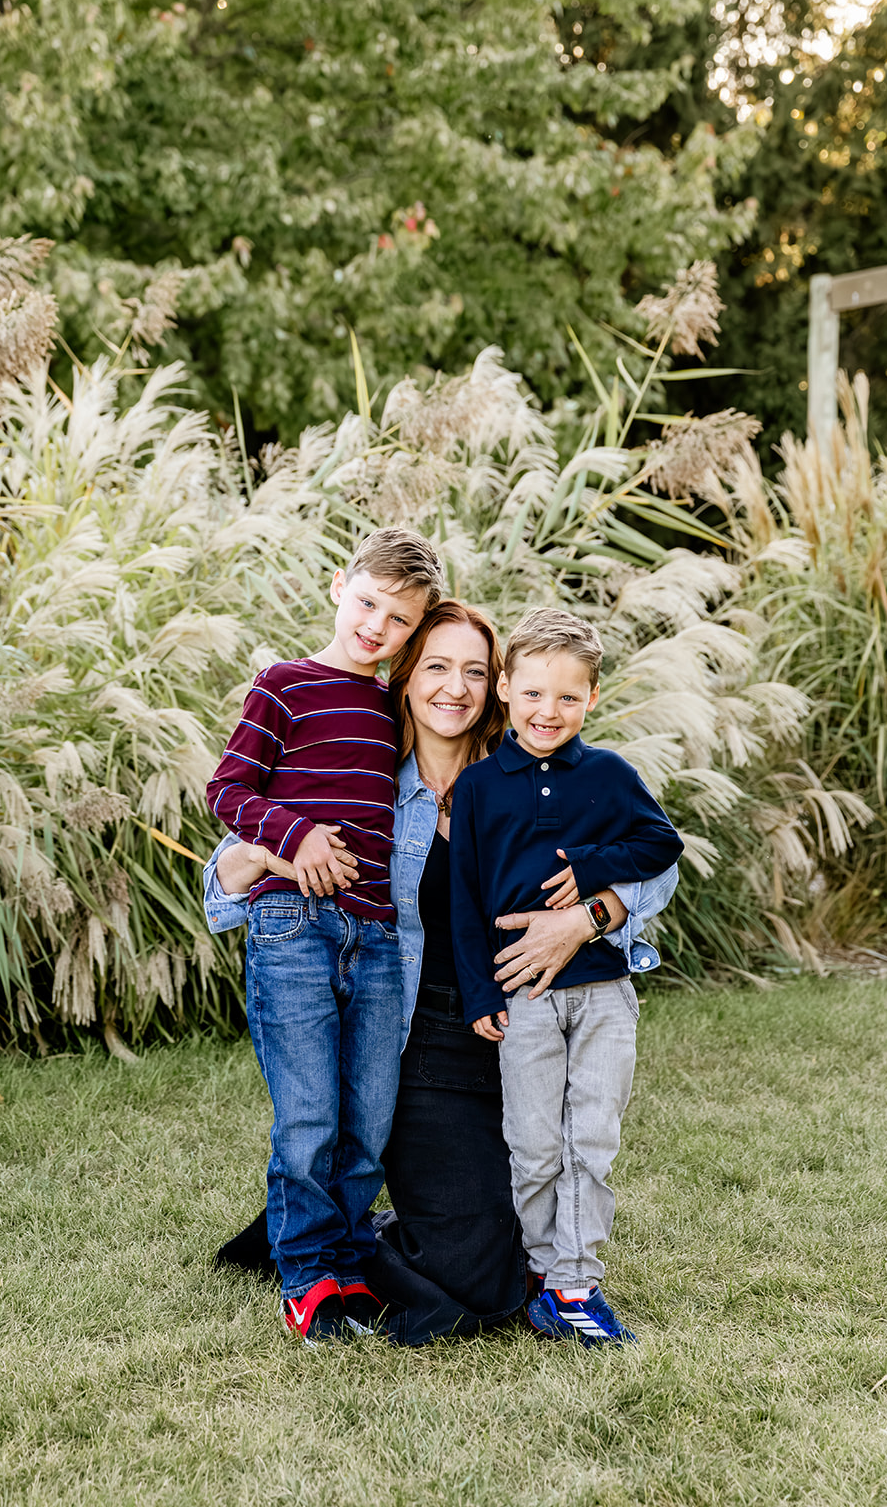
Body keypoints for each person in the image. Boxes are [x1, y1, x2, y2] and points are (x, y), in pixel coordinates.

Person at [206, 599, 679, 1345]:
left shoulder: (526, 772)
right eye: (434, 667)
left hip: (517, 1032)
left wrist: (588, 917)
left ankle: (352, 1214)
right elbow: (226, 881)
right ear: (403, 677)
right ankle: (333, 1241)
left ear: (495, 685)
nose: (453, 688)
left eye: (473, 670)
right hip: (414, 1050)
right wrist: (272, 851)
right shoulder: (365, 782)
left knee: (519, 1234)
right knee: (478, 1277)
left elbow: (656, 863)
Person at [204, 526, 444, 1344]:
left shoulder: (391, 708)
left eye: (399, 620)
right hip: (292, 926)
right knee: (307, 1117)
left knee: (367, 1119)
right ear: (338, 587)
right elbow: (227, 788)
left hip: (375, 937)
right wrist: (291, 837)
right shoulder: (284, 685)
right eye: (369, 602)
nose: (376, 625)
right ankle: (306, 1278)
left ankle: (347, 1262)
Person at [452, 607, 684, 1349]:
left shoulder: (609, 774)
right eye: (531, 694)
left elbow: (659, 841)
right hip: (521, 995)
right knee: (532, 1143)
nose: (547, 711)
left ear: (590, 700)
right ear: (506, 693)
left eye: (567, 697)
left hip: (602, 993)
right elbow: (465, 898)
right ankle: (536, 1268)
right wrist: (481, 993)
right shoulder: (482, 787)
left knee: (592, 1136)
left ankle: (574, 1283)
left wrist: (592, 873)